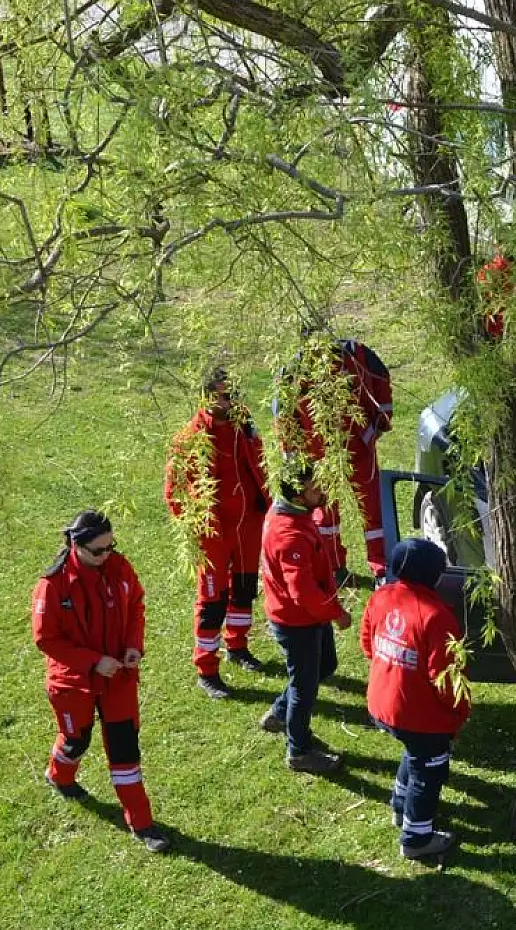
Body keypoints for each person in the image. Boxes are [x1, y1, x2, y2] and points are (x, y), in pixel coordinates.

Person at [33, 510, 170, 853]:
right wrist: (94, 662)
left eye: (110, 546)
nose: (106, 555)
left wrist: (133, 647)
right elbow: (46, 640)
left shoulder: (119, 568)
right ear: (75, 546)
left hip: (117, 679)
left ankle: (141, 821)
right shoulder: (52, 586)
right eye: (98, 550)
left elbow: (136, 604)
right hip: (73, 682)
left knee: (125, 748)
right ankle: (59, 775)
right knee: (75, 740)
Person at [164, 365, 271, 701]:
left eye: (235, 394)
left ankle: (237, 646)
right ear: (208, 397)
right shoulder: (189, 440)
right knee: (212, 603)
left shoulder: (245, 429)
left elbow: (261, 465)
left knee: (243, 591)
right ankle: (206, 668)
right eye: (226, 396)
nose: (233, 401)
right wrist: (199, 528)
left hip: (248, 526)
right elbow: (175, 492)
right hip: (213, 534)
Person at [360, 538, 471, 861]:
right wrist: (458, 714)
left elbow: (368, 644)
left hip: (383, 701)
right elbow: (447, 679)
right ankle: (416, 837)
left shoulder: (381, 596)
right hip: (419, 716)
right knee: (429, 770)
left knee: (414, 754)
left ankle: (400, 805)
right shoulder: (438, 617)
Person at [278, 331, 394, 584]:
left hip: (359, 450)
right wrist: (294, 457)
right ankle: (333, 567)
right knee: (325, 512)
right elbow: (284, 417)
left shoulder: (356, 356)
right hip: (319, 456)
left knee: (372, 510)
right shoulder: (295, 372)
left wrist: (375, 428)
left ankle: (381, 568)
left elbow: (381, 384)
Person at [259, 462, 353, 774]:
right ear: (298, 494)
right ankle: (299, 751)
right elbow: (303, 593)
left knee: (326, 666)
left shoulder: (290, 513)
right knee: (305, 685)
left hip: (306, 617)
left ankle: (279, 713)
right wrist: (336, 614)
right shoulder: (289, 535)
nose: (323, 490)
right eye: (316, 487)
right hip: (298, 621)